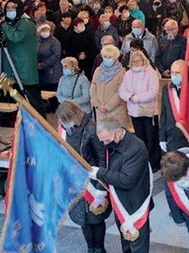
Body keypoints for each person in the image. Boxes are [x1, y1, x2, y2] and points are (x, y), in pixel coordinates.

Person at [91, 118, 153, 253]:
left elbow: (126, 180)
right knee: (125, 241)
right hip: (120, 202)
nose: (104, 144)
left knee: (138, 246)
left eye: (107, 140)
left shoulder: (136, 148)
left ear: (118, 132)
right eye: (102, 141)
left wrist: (100, 173)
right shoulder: (112, 142)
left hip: (135, 204)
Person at [56, 101, 110, 253]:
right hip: (75, 182)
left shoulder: (91, 129)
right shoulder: (64, 131)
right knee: (83, 220)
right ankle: (90, 248)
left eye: (66, 119)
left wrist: (100, 188)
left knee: (96, 218)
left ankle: (99, 249)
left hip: (93, 182)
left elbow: (101, 159)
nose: (63, 123)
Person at [0, 0, 43, 113]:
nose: (10, 10)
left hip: (25, 70)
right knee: (19, 104)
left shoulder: (26, 23)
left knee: (33, 103)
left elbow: (16, 37)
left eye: (13, 7)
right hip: (12, 69)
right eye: (8, 8)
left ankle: (41, 127)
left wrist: (2, 24)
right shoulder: (11, 24)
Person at [119, 51, 161, 171]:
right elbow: (122, 90)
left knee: (151, 137)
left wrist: (136, 98)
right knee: (140, 137)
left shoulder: (151, 73)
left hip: (149, 111)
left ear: (144, 60)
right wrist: (130, 96)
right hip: (134, 112)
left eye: (138, 60)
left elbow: (153, 92)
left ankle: (154, 163)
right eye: (133, 61)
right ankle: (143, 161)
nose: (136, 63)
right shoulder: (128, 74)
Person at [90, 45, 130, 127]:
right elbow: (93, 86)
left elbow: (120, 92)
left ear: (116, 57)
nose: (106, 59)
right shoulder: (98, 70)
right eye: (105, 56)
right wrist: (97, 104)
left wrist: (108, 107)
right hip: (100, 111)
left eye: (109, 57)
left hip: (116, 111)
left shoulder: (122, 72)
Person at [36, 23, 62, 94]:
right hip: (40, 72)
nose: (45, 32)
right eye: (43, 30)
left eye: (47, 30)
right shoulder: (37, 41)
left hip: (52, 71)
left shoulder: (55, 42)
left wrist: (43, 65)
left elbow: (56, 56)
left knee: (51, 93)